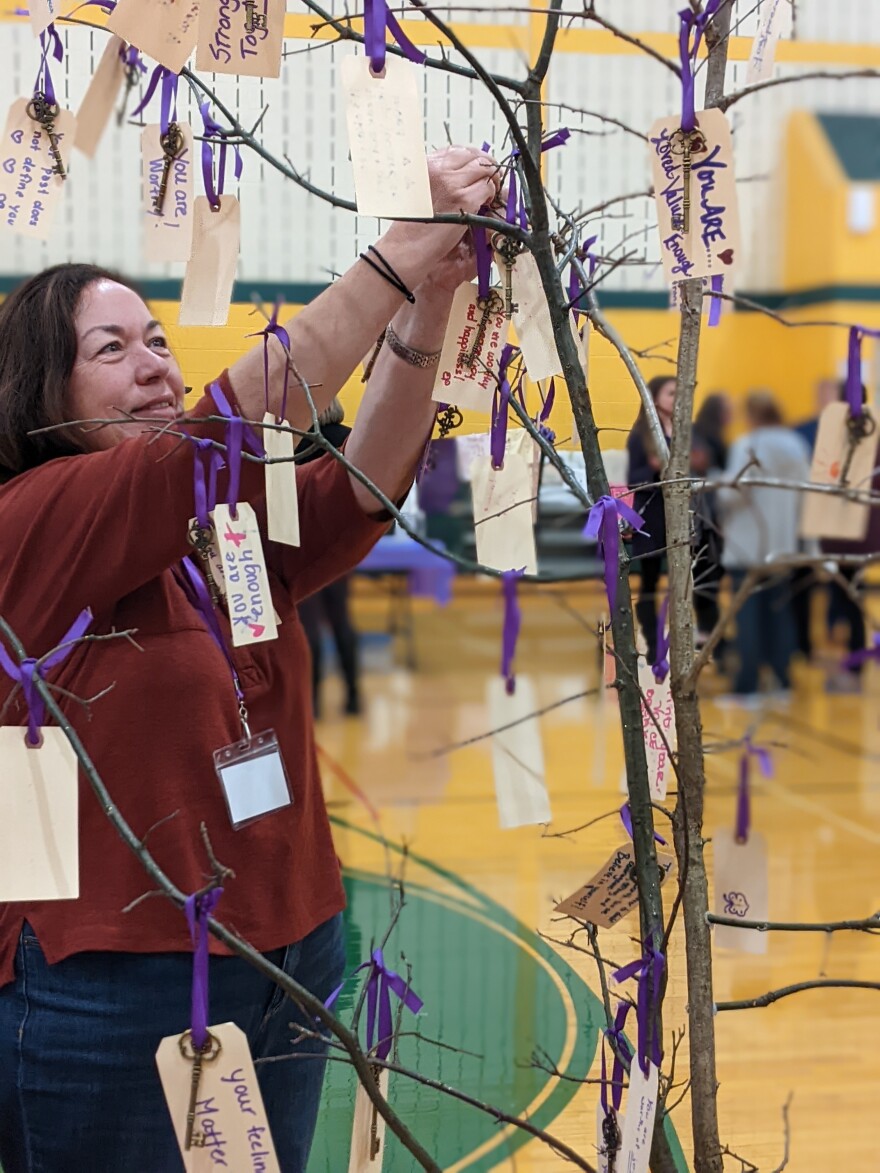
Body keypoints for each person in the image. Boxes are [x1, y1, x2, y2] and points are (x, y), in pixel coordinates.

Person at [0, 146, 500, 1173]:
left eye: (158, 340)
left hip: (292, 949)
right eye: (112, 348)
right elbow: (225, 422)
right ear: (40, 386)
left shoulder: (214, 524)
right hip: (115, 981)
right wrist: (404, 247)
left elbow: (360, 485)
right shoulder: (36, 521)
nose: (154, 364)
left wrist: (427, 308)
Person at [716, 391, 812, 705]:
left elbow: (735, 493)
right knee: (779, 612)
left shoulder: (748, 444)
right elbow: (805, 495)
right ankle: (782, 681)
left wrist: (715, 484)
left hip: (749, 544)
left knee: (748, 617)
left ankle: (748, 687)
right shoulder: (796, 445)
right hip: (782, 544)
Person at [296, 397, 362, 717]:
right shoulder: (349, 440)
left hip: (300, 547)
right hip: (339, 546)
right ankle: (353, 696)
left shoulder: (293, 442)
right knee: (341, 622)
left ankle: (314, 703)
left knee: (309, 628)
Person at [627, 376, 675, 663]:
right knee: (650, 582)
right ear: (655, 398)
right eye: (671, 393)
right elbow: (634, 480)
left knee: (683, 580)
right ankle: (654, 643)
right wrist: (654, 470)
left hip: (678, 515)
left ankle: (684, 638)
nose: (677, 399)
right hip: (652, 516)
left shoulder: (684, 432)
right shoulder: (640, 436)